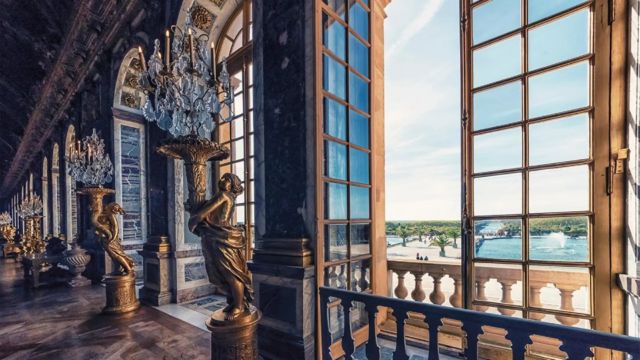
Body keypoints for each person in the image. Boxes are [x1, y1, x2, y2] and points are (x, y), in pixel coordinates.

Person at [189, 173, 254, 321]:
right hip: (218, 237)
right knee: (224, 273)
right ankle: (234, 302)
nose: (222, 180)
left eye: (227, 179)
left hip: (222, 238)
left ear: (233, 185)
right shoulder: (227, 197)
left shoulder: (224, 195)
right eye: (223, 178)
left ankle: (239, 306)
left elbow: (202, 214)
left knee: (231, 273)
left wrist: (192, 222)